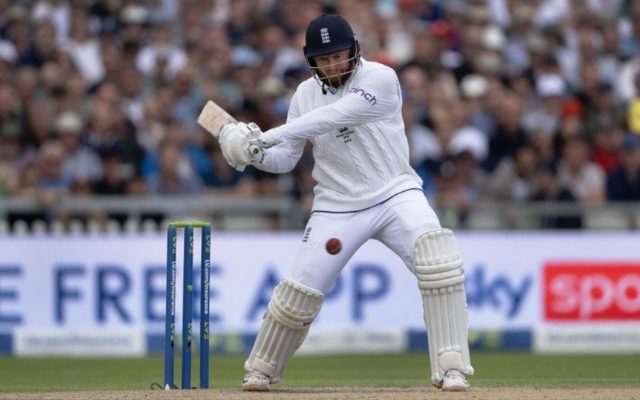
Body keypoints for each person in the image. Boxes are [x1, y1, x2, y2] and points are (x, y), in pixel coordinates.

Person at [217, 14, 474, 392]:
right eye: (324, 59)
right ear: (312, 61)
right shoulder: (304, 95)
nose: (333, 64)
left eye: (339, 55)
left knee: (438, 260)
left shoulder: (381, 78)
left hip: (395, 192)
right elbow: (286, 159)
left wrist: (265, 134)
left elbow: (336, 115)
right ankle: (262, 369)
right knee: (298, 293)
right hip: (337, 204)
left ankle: (451, 367)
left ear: (354, 50)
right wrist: (251, 152)